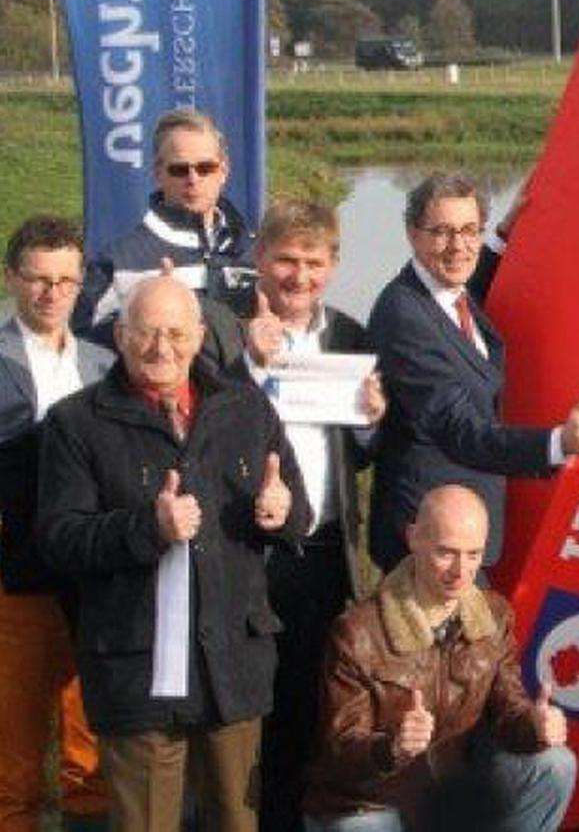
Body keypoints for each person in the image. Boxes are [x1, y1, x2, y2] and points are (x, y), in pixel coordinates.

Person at [37, 275, 310, 830]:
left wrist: (280, 513)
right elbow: (59, 539)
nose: (162, 348)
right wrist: (147, 528)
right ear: (119, 335)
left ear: (201, 335)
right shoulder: (75, 423)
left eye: (177, 334)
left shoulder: (245, 409)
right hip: (138, 675)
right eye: (146, 333)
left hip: (231, 670)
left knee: (236, 821)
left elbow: (298, 513)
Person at [233, 200, 388, 832]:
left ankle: (302, 818)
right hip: (247, 548)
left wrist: (375, 423)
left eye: (314, 263)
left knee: (313, 697)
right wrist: (249, 364)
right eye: (286, 261)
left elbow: (361, 454)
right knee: (248, 705)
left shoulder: (350, 336)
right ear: (259, 260)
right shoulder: (224, 328)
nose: (299, 277)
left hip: (324, 551)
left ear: (334, 265)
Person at [366, 172, 579, 571]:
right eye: (441, 232)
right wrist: (557, 444)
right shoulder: (403, 316)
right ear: (413, 234)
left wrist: (502, 236)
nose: (458, 245)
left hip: (461, 537)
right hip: (427, 547)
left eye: (470, 230)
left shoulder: (445, 292)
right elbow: (460, 430)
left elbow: (465, 283)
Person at [305, 484, 575, 831]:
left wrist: (535, 725)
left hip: (450, 792)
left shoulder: (494, 615)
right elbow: (338, 749)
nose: (461, 571)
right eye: (446, 553)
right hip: (368, 802)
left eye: (474, 554)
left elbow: (508, 710)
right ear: (414, 538)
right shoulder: (358, 632)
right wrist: (392, 748)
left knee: (555, 764)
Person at [0, 217, 111, 830]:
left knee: (88, 748)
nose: (51, 293)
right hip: (16, 579)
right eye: (39, 279)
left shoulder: (103, 363)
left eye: (66, 281)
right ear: (12, 277)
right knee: (12, 752)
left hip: (89, 580)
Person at [73, 108, 256, 333]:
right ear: (158, 173)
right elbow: (80, 344)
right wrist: (145, 323)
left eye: (205, 168)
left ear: (223, 171)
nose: (193, 179)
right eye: (179, 169)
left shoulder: (257, 251)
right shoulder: (119, 260)